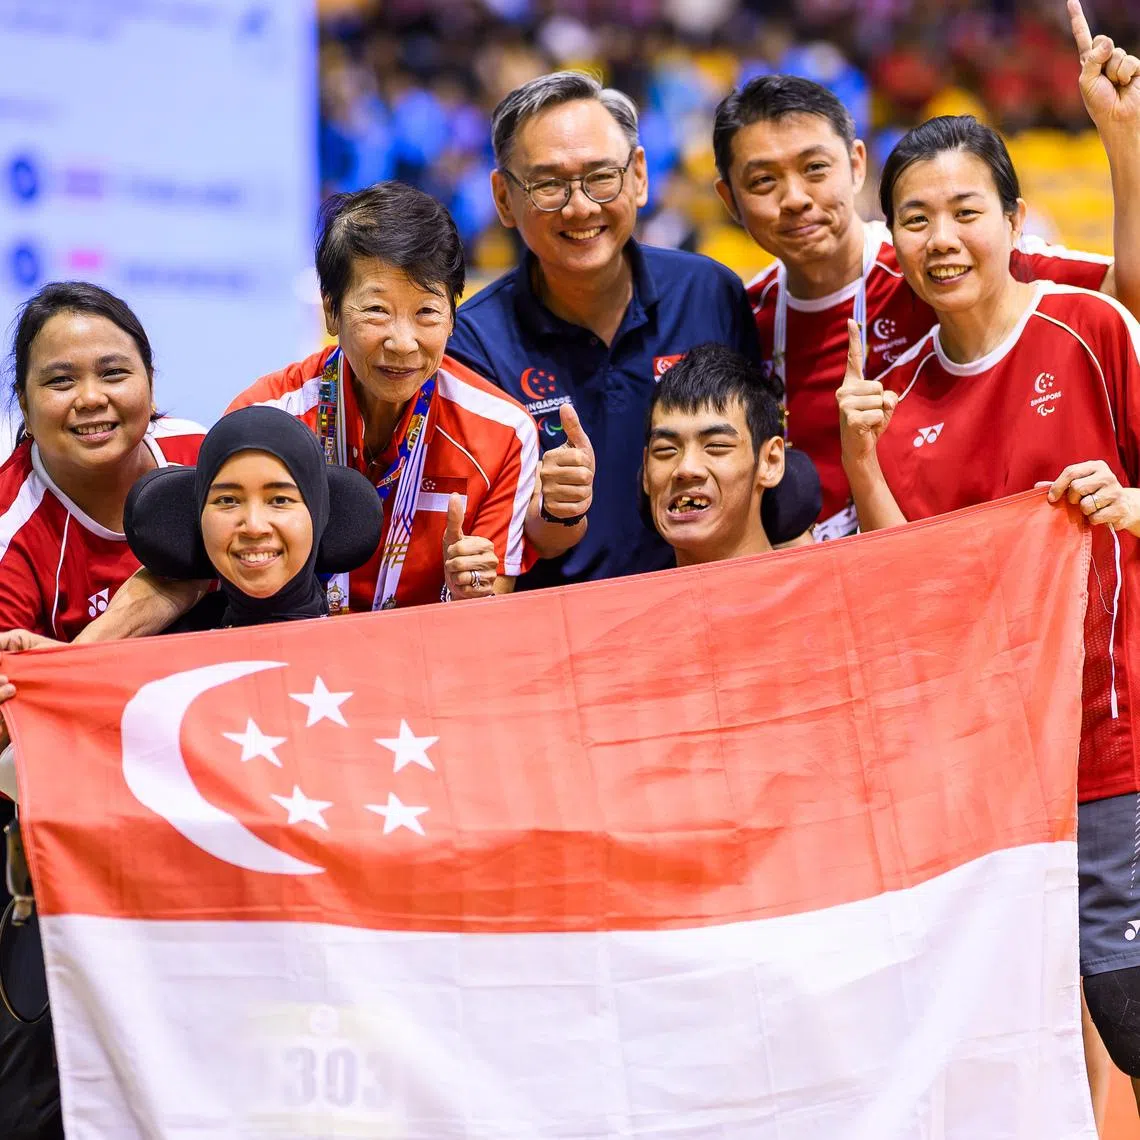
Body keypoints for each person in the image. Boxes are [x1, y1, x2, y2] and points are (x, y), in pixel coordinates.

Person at [836, 113, 1140, 1117]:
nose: (943, 239)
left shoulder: (1090, 329)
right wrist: (862, 460)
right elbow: (909, 595)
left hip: (1119, 742)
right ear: (892, 241)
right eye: (916, 218)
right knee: (1025, 1036)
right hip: (996, 784)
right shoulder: (898, 399)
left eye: (966, 210)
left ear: (1014, 220)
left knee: (1130, 1008)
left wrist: (1130, 505)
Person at [712, 0, 1140, 541]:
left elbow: (1125, 298)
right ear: (729, 199)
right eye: (763, 181)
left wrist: (1123, 135)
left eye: (815, 168)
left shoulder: (944, 262)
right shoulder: (738, 317)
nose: (795, 198)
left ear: (856, 165)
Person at [59, 182, 540, 642]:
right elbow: (192, 574)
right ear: (331, 310)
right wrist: (70, 661)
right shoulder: (265, 415)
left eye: (427, 313)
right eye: (376, 310)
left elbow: (488, 614)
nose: (402, 341)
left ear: (453, 315)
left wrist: (470, 595)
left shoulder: (503, 435)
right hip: (286, 670)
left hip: (426, 673)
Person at [447, 70, 818, 589]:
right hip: (560, 622)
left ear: (639, 176)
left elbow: (762, 471)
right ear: (504, 199)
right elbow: (491, 542)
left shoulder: (710, 293)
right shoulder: (471, 344)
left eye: (601, 176)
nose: (580, 206)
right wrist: (550, 511)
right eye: (548, 185)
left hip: (710, 599)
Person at [0, 280, 204, 1140]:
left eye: (114, 373)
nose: (91, 399)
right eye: (60, 380)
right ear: (23, 405)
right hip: (60, 841)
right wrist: (134, 623)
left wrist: (77, 657)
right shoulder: (10, 526)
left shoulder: (207, 463)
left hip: (203, 806)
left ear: (152, 385)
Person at [123, 406, 384, 628]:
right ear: (198, 514)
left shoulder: (375, 658)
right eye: (228, 501)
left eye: (280, 500)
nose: (254, 526)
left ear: (319, 512)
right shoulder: (165, 661)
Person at [641, 343, 787, 567]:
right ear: (645, 473)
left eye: (716, 446)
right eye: (666, 449)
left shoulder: (826, 588)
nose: (686, 468)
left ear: (770, 462)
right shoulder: (618, 591)